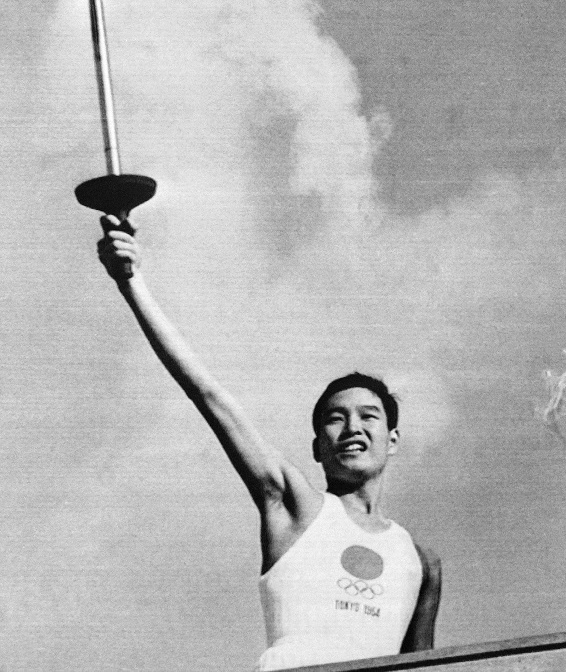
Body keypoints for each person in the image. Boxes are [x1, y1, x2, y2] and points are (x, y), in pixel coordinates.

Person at [96, 215, 442, 671]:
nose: (352, 428)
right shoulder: (295, 505)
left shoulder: (420, 561)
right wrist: (132, 283)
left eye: (368, 416)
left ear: (392, 439)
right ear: (319, 447)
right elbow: (209, 395)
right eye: (335, 420)